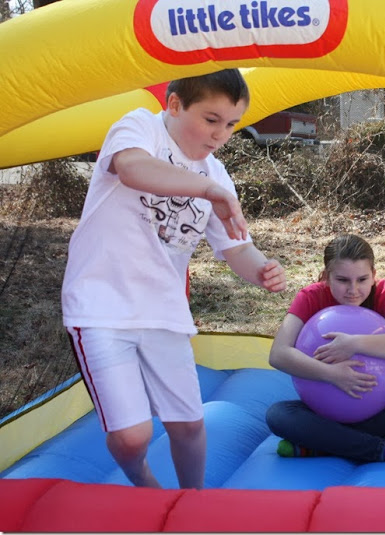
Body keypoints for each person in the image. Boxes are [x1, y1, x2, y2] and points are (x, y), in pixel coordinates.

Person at [61, 69, 287, 489]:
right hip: (100, 306)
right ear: (175, 104)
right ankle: (143, 480)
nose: (220, 134)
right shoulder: (140, 128)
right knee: (132, 436)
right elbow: (132, 168)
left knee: (188, 425)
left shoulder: (215, 174)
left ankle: (192, 500)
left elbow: (236, 248)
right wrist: (206, 190)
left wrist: (261, 268)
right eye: (211, 119)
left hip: (163, 312)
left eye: (232, 124)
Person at [266, 234, 385, 463]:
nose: (353, 289)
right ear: (326, 277)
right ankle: (380, 449)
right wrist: (332, 374)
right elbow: (278, 354)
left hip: (379, 408)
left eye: (362, 279)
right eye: (342, 280)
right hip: (324, 409)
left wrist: (354, 343)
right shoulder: (310, 297)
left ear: (373, 275)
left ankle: (323, 444)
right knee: (278, 415)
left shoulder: (384, 292)